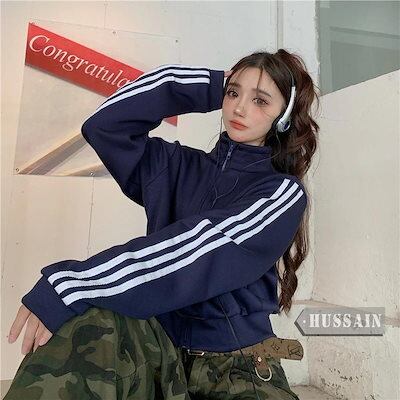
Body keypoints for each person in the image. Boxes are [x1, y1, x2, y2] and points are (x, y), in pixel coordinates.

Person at [5, 49, 320, 400]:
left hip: (235, 366)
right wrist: (207, 85)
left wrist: (76, 282)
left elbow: (197, 250)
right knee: (87, 321)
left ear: (284, 116)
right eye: (233, 93)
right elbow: (104, 126)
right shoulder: (175, 166)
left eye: (260, 100)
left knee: (79, 296)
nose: (240, 108)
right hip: (159, 354)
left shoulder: (280, 193)